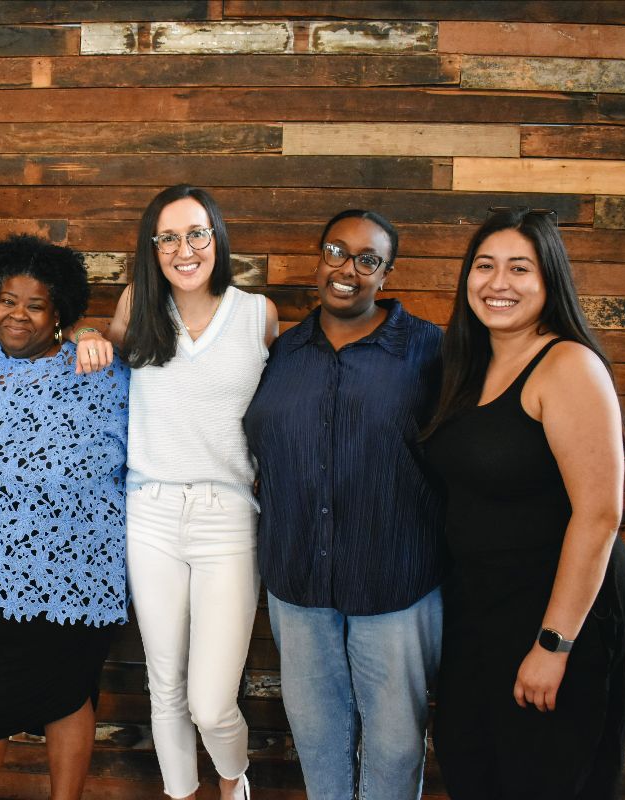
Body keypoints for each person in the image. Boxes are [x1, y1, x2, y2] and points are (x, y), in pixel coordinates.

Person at [423, 207, 625, 799]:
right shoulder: (469, 363)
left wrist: (554, 645)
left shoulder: (567, 365)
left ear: (550, 281)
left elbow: (600, 514)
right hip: (482, 605)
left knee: (540, 776)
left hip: (559, 609)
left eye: (520, 268)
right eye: (485, 266)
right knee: (472, 761)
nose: (499, 283)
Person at [79, 185, 277, 800]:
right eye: (168, 237)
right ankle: (181, 794)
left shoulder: (257, 314)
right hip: (151, 512)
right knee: (163, 686)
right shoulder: (137, 302)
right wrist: (90, 335)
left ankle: (232, 779)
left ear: (216, 238)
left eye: (197, 234)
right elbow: (105, 354)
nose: (184, 249)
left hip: (228, 518)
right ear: (152, 247)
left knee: (212, 701)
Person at [242, 209, 444, 800]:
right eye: (336, 251)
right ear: (319, 256)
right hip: (299, 581)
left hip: (396, 582)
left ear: (387, 272)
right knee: (318, 739)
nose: (347, 270)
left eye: (367, 259)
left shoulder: (430, 350)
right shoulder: (281, 351)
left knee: (396, 744)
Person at [0, 234, 129, 800]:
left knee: (69, 696)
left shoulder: (102, 374)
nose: (16, 315)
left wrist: (92, 333)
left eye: (34, 304)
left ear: (59, 309)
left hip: (72, 578)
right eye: (6, 301)